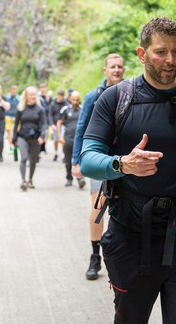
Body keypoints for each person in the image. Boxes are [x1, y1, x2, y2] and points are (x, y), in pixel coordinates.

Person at [79, 17, 176, 323]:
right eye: (161, 52)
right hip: (131, 235)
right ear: (141, 53)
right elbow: (88, 158)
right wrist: (122, 164)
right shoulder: (117, 99)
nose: (170, 60)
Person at [72, 53, 126, 280]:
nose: (116, 70)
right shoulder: (92, 97)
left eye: (120, 66)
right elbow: (81, 129)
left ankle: (121, 256)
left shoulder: (132, 92)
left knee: (124, 207)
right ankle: (95, 257)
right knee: (98, 203)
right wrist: (76, 160)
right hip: (98, 157)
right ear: (105, 70)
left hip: (124, 160)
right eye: (112, 66)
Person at [13, 86, 48, 191]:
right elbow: (16, 124)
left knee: (33, 160)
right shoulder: (20, 109)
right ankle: (23, 181)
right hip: (23, 136)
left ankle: (30, 179)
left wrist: (42, 136)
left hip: (36, 137)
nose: (33, 96)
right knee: (24, 158)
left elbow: (44, 124)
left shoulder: (40, 109)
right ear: (26, 96)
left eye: (34, 94)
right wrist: (14, 139)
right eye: (31, 94)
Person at [56, 91, 84, 188]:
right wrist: (59, 136)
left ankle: (80, 179)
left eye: (77, 99)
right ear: (70, 99)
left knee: (79, 160)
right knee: (68, 161)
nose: (75, 101)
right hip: (67, 139)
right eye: (73, 99)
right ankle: (69, 178)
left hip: (80, 140)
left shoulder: (83, 109)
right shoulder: (65, 109)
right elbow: (59, 122)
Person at [49, 89, 68, 161]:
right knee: (55, 139)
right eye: (59, 96)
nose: (60, 97)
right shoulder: (53, 104)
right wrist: (51, 124)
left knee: (63, 139)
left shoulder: (66, 104)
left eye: (62, 96)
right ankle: (56, 153)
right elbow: (50, 115)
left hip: (63, 124)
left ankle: (63, 154)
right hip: (55, 124)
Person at [5, 85, 20, 153]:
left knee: (17, 132)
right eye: (12, 90)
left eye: (15, 90)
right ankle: (11, 147)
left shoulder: (18, 98)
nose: (14, 91)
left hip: (16, 117)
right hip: (8, 116)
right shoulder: (7, 98)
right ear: (10, 90)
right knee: (10, 133)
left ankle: (16, 145)